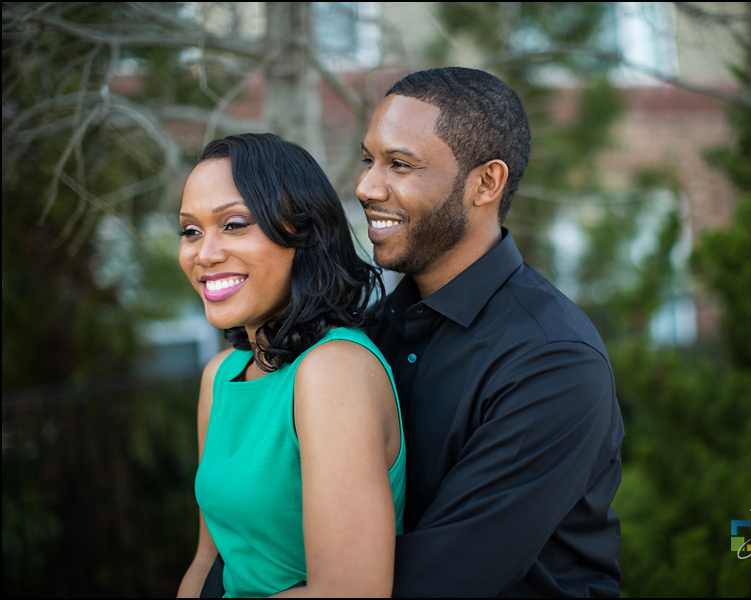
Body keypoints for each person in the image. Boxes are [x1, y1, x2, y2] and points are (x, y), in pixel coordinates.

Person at [358, 67, 624, 597]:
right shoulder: (370, 331)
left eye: (400, 164)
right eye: (368, 159)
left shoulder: (553, 361)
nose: (366, 186)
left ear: (486, 183)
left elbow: (442, 579)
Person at [175, 133, 405, 598]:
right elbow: (207, 559)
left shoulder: (334, 371)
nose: (204, 253)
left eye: (234, 224)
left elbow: (350, 592)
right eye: (191, 230)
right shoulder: (219, 377)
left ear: (303, 233)